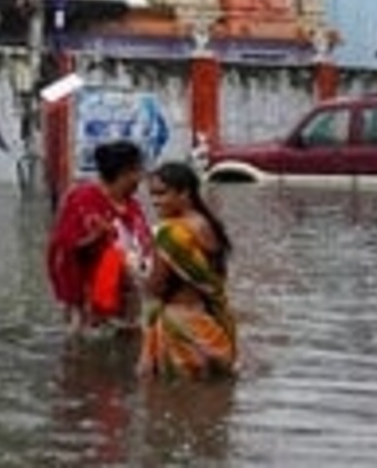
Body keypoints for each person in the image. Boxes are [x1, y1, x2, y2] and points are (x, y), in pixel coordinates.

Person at [139, 161, 237, 380]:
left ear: (185, 192)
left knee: (172, 398)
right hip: (207, 319)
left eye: (162, 194)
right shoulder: (208, 224)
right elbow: (217, 278)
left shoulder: (171, 234)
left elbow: (156, 286)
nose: (155, 201)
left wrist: (134, 271)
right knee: (207, 401)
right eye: (152, 195)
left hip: (180, 322)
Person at [46, 140, 154, 333]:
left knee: (129, 339)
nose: (141, 178)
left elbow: (143, 244)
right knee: (88, 347)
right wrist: (95, 237)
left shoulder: (132, 205)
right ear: (124, 172)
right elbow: (63, 246)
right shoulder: (82, 199)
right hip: (90, 291)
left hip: (127, 290)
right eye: (138, 171)